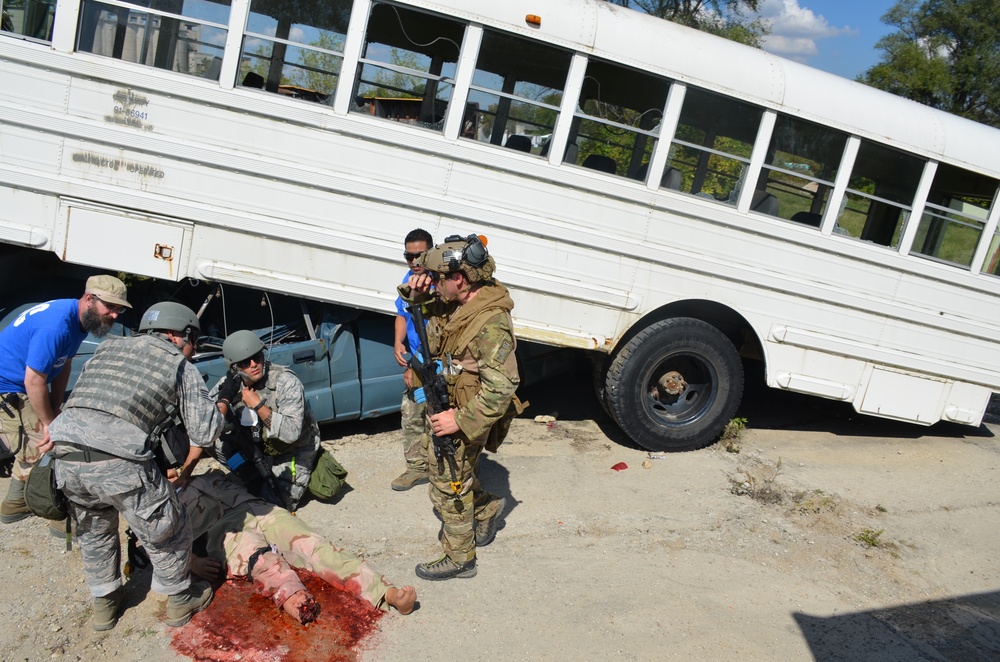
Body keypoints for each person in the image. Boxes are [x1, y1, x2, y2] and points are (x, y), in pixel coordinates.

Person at [50, 301, 224, 631]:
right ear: (178, 335)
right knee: (167, 526)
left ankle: (105, 603)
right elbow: (206, 431)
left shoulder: (107, 349)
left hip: (65, 456)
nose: (191, 350)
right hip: (118, 460)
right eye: (192, 342)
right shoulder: (177, 364)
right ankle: (179, 600)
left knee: (94, 530)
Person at [398, 234, 519, 580]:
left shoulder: (490, 324)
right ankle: (487, 508)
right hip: (449, 398)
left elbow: (503, 387)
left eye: (438, 278)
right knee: (454, 473)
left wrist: (459, 420)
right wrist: (418, 295)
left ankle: (461, 557)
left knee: (446, 479)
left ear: (460, 279)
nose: (432, 283)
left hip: (470, 411)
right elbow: (435, 327)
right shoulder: (460, 299)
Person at [179, 471, 416, 623]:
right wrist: (193, 562)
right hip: (226, 532)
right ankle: (298, 601)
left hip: (259, 510)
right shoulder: (163, 501)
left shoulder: (210, 474)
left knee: (315, 546)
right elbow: (157, 546)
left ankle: (386, 593)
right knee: (263, 562)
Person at [0, 275, 130, 524]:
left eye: (119, 309)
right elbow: (34, 381)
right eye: (110, 307)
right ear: (89, 299)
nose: (114, 315)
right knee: (48, 445)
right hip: (8, 389)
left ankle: (24, 500)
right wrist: (50, 423)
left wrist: (56, 408)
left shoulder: (79, 320)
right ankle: (19, 505)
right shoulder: (56, 325)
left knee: (54, 434)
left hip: (23, 384)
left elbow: (64, 363)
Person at [210, 330, 320, 513]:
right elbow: (204, 422)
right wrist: (225, 397)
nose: (254, 365)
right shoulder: (230, 383)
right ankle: (249, 475)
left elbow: (291, 433)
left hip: (292, 450)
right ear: (235, 368)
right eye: (246, 362)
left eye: (257, 357)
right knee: (218, 445)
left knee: (273, 506)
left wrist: (258, 405)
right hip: (259, 447)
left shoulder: (285, 381)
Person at [391, 228, 434, 492]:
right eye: (409, 256)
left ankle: (446, 469)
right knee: (412, 415)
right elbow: (401, 312)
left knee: (437, 417)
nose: (415, 262)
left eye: (420, 256)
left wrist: (413, 366)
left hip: (435, 362)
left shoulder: (440, 283)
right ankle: (418, 468)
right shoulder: (410, 278)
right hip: (416, 358)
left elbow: (439, 332)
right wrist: (398, 342)